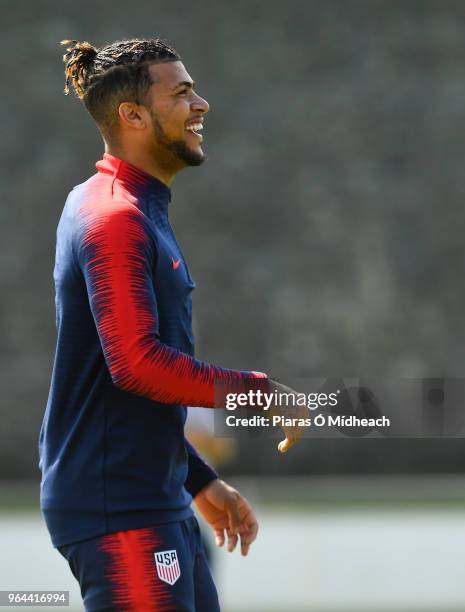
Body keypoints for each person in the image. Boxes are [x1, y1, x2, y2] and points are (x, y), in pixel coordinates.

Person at [39, 37, 305, 612]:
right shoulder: (114, 217)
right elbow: (134, 364)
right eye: (182, 92)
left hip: (154, 500)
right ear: (132, 115)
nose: (201, 103)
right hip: (119, 510)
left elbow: (117, 397)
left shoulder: (132, 206)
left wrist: (195, 479)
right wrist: (257, 393)